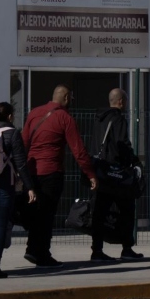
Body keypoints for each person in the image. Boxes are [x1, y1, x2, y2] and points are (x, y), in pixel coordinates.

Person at [22, 85, 97, 267]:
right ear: (65, 98)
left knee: (35, 213)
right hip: (51, 171)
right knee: (47, 214)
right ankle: (42, 254)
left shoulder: (33, 113)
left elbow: (24, 141)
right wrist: (90, 174)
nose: (71, 102)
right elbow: (78, 150)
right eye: (70, 99)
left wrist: (21, 170)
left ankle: (32, 249)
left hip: (31, 171)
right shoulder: (65, 118)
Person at [89, 88, 143, 261]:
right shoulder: (118, 119)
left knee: (99, 212)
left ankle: (96, 250)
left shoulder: (99, 119)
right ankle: (127, 248)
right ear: (121, 102)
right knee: (127, 209)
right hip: (116, 173)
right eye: (125, 101)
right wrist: (133, 162)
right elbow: (122, 144)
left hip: (101, 171)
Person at [0, 102, 36, 279]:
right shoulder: (12, 133)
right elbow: (20, 163)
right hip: (4, 186)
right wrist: (30, 187)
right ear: (10, 116)